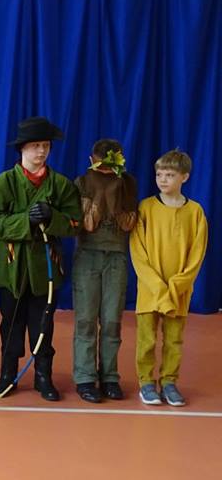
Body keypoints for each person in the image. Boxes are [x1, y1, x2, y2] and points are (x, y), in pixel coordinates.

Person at [0, 117, 81, 402]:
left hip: (45, 267)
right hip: (11, 268)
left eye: (46, 146)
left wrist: (53, 218)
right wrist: (25, 220)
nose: (41, 151)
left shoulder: (61, 185)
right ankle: (7, 375)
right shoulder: (4, 182)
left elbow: (75, 223)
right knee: (10, 323)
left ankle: (43, 376)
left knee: (43, 324)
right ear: (22, 149)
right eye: (35, 146)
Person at [130, 149, 207, 407]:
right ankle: (146, 383)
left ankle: (169, 382)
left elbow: (197, 255)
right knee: (147, 339)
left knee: (174, 340)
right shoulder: (146, 208)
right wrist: (158, 287)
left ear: (184, 177)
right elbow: (138, 252)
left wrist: (176, 287)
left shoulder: (195, 212)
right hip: (150, 290)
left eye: (170, 175)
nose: (163, 179)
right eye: (159, 174)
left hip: (178, 293)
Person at [71, 139, 138, 403]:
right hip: (88, 256)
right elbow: (87, 225)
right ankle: (85, 377)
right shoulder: (82, 183)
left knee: (111, 320)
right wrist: (100, 191)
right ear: (92, 161)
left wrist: (114, 191)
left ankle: (109, 376)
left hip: (116, 258)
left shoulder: (128, 183)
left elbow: (128, 224)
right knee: (86, 320)